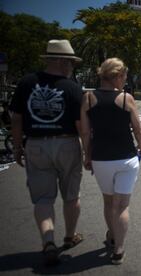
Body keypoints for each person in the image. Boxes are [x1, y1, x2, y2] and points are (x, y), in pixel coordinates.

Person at [10, 40, 84, 265]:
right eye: (70, 62)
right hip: (67, 143)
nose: (71, 66)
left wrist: (17, 146)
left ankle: (48, 241)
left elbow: (16, 118)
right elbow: (81, 124)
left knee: (42, 198)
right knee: (71, 195)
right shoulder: (72, 87)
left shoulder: (26, 83)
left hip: (36, 143)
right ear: (62, 62)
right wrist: (88, 150)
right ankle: (70, 237)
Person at [80, 58, 141, 264]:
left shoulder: (88, 98)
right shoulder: (127, 98)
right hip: (126, 158)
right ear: (117, 75)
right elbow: (138, 129)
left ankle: (111, 234)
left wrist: (87, 155)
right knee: (122, 206)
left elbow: (84, 132)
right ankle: (118, 248)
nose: (125, 80)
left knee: (109, 202)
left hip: (101, 159)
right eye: (125, 76)